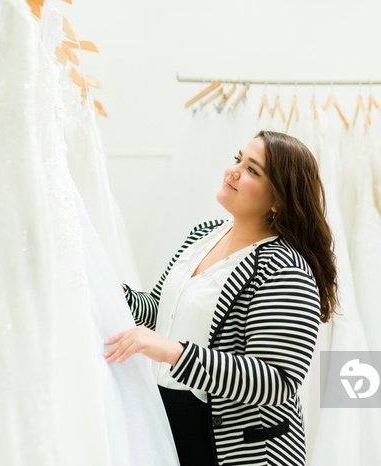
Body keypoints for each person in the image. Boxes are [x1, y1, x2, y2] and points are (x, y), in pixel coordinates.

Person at [104, 130, 338, 466]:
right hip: (169, 425)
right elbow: (161, 312)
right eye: (237, 159)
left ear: (278, 199)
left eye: (252, 170)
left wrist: (171, 352)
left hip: (239, 449)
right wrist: (117, 294)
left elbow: (275, 380)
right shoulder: (203, 235)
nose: (233, 170)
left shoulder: (284, 268)